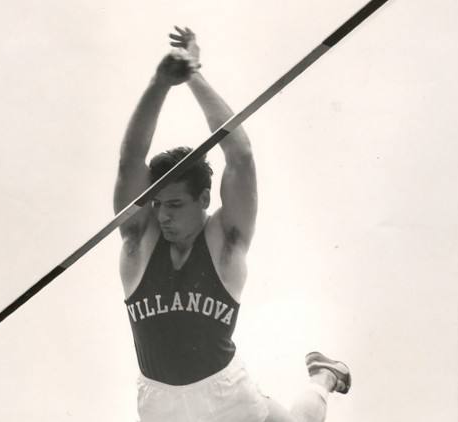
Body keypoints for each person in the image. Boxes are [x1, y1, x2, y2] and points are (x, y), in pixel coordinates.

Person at [114, 26, 351, 422]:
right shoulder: (140, 240)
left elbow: (239, 155)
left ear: (204, 199)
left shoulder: (225, 241)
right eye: (157, 204)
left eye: (174, 204)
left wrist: (192, 75)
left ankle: (323, 377)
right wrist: (159, 83)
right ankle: (322, 376)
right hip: (159, 402)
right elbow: (130, 161)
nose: (162, 215)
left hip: (225, 395)